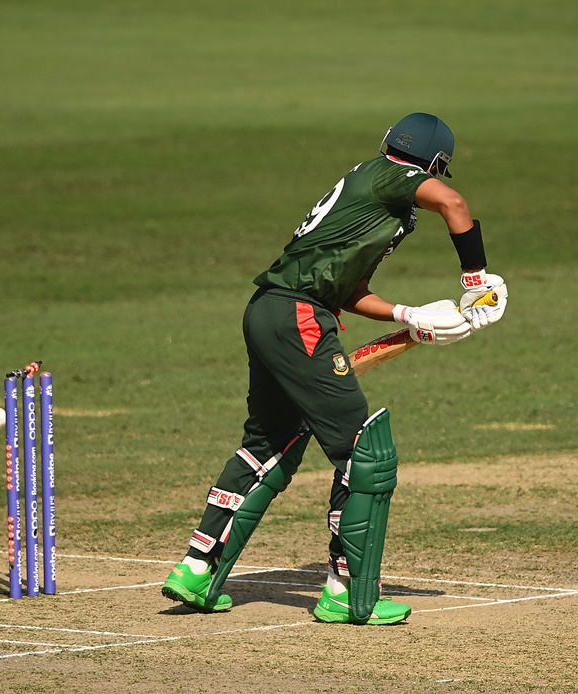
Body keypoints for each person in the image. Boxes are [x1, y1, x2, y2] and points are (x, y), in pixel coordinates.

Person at [161, 113, 508, 625]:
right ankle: (345, 589)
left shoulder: (364, 196)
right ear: (431, 165)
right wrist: (476, 281)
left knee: (268, 444)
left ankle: (195, 569)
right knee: (362, 449)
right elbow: (453, 204)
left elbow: (348, 291)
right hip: (298, 316)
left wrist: (407, 316)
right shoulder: (391, 176)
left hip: (269, 310)